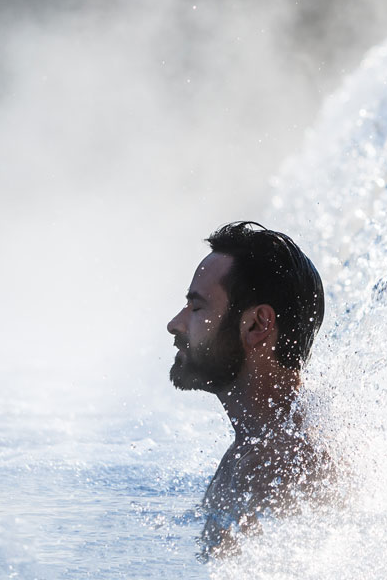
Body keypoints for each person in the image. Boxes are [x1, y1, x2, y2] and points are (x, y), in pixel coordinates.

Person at [166, 221, 331, 556]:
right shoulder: (266, 440)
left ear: (257, 325)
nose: (176, 323)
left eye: (197, 307)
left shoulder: (277, 462)